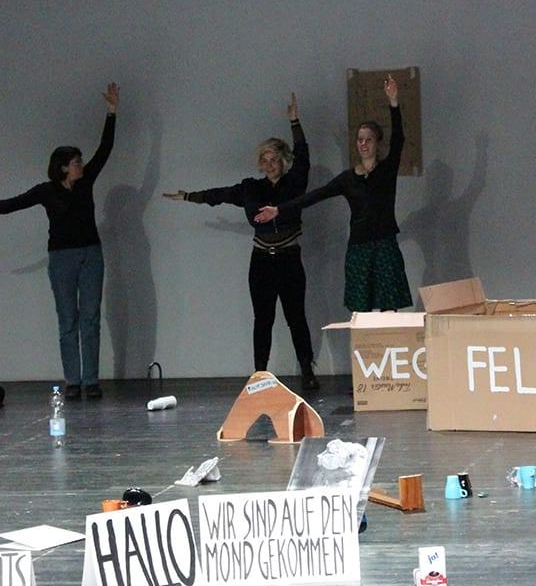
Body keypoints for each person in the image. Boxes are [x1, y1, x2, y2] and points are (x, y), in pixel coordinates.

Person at [0, 83, 120, 400]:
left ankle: (91, 380)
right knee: (68, 320)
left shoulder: (86, 181)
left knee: (91, 318)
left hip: (91, 254)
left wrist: (111, 112)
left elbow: (104, 149)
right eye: (76, 162)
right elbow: (12, 204)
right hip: (62, 259)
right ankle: (73, 381)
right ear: (63, 167)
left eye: (81, 161)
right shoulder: (46, 191)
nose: (81, 165)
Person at [164, 93, 319, 390]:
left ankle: (307, 370)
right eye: (265, 160)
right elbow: (220, 195)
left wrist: (294, 122)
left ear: (283, 161)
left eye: (274, 159)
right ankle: (259, 374)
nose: (269, 164)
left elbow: (303, 155)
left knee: (295, 317)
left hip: (288, 258)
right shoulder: (251, 188)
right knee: (263, 318)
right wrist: (188, 196)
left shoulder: (294, 183)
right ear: (260, 164)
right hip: (261, 261)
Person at [255, 75, 412, 312]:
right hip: (359, 247)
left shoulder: (386, 170)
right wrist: (279, 209)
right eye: (360, 140)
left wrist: (393, 102)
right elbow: (314, 196)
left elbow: (398, 139)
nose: (363, 144)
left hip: (385, 244)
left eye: (368, 139)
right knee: (361, 308)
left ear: (377, 143)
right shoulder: (347, 179)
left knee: (389, 308)